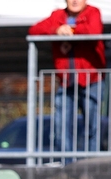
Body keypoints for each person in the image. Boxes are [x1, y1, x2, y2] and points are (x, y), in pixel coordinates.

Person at [30, 0, 106, 153]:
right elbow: (34, 30)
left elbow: (93, 30)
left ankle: (92, 166)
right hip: (66, 83)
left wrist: (71, 30)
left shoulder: (93, 12)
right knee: (61, 127)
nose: (75, 1)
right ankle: (68, 167)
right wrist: (56, 30)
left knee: (93, 126)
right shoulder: (57, 15)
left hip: (91, 81)